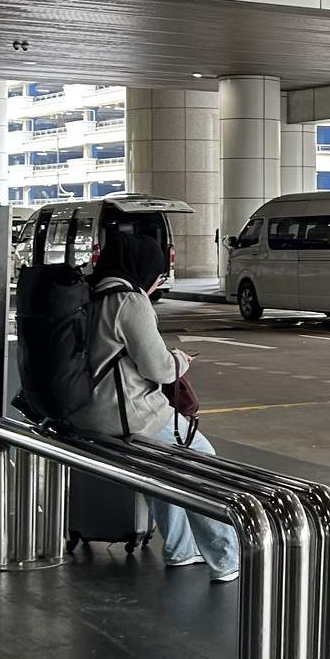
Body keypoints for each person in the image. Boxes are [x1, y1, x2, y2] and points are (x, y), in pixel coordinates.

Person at [67, 229, 240, 581]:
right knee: (203, 464)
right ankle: (226, 558)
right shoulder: (128, 301)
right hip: (126, 414)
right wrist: (181, 359)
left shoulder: (91, 295)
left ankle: (180, 549)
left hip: (86, 412)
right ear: (142, 269)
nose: (156, 285)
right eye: (158, 277)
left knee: (164, 465)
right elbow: (158, 368)